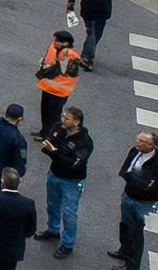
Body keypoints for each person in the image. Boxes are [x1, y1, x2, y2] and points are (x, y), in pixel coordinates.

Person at [36, 104, 93, 259]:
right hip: (54, 174)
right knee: (52, 205)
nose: (62, 120)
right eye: (62, 116)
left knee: (69, 213)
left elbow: (73, 165)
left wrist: (55, 153)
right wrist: (53, 151)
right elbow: (48, 143)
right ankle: (53, 230)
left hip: (72, 181)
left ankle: (68, 244)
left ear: (76, 122)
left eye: (66, 118)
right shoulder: (59, 128)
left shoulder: (85, 143)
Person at [112, 131, 158, 269]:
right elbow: (124, 171)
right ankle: (123, 251)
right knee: (125, 227)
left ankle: (131, 266)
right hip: (128, 196)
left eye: (142, 141)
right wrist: (135, 179)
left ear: (152, 145)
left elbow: (148, 187)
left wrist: (133, 178)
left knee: (136, 236)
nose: (138, 142)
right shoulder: (135, 151)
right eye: (138, 139)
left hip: (143, 204)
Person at [67, 0, 125, 70]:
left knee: (91, 32)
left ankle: (86, 55)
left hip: (88, 8)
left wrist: (71, 1)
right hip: (103, 10)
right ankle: (87, 58)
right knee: (96, 33)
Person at [35, 31, 82, 140]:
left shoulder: (70, 55)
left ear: (66, 44)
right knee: (45, 111)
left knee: (54, 115)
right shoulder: (54, 47)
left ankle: (51, 136)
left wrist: (44, 72)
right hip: (48, 87)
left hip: (59, 91)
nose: (55, 42)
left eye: (58, 41)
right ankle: (44, 131)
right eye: (55, 40)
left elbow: (62, 71)